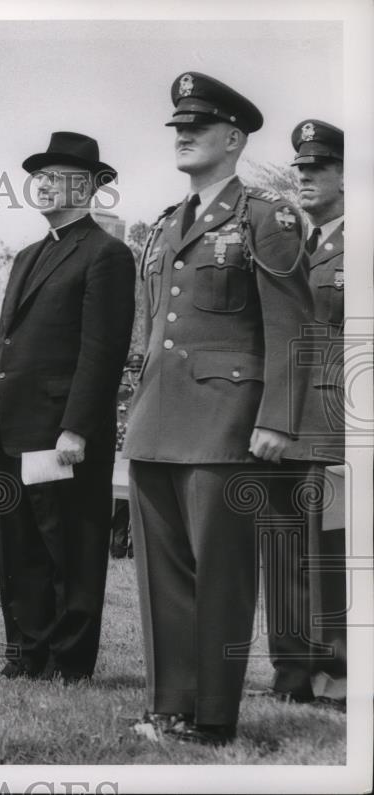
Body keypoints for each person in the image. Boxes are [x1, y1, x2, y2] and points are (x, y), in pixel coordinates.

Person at [124, 72, 314, 745]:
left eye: (197, 126)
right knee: (162, 581)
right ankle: (168, 706)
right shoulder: (165, 224)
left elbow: (292, 325)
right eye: (177, 125)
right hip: (156, 421)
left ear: (233, 138)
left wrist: (277, 418)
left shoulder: (267, 216)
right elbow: (154, 330)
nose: (182, 134)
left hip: (227, 423)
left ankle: (211, 718)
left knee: (223, 579)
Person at [0, 132, 135, 683]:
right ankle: (25, 653)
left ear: (90, 186)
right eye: (39, 174)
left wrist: (76, 427)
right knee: (20, 551)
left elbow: (102, 351)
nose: (43, 182)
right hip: (14, 428)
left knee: (68, 546)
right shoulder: (28, 255)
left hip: (60, 433)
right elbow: (8, 342)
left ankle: (68, 663)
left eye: (58, 174)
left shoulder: (107, 254)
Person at [254, 119, 346, 710]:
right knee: (283, 552)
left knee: (332, 555)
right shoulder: (292, 245)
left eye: (320, 167)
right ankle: (291, 673)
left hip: (337, 426)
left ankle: (338, 675)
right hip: (279, 421)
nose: (305, 176)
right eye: (301, 168)